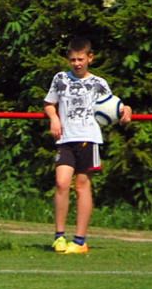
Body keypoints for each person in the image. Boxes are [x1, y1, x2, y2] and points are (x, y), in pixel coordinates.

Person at [44, 37, 132, 254]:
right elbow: (49, 104)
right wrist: (54, 118)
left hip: (88, 138)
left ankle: (80, 241)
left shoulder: (98, 83)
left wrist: (126, 110)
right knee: (61, 183)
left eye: (81, 59)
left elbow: (115, 106)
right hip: (65, 139)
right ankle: (59, 237)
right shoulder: (60, 79)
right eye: (73, 59)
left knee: (82, 186)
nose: (77, 63)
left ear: (90, 58)